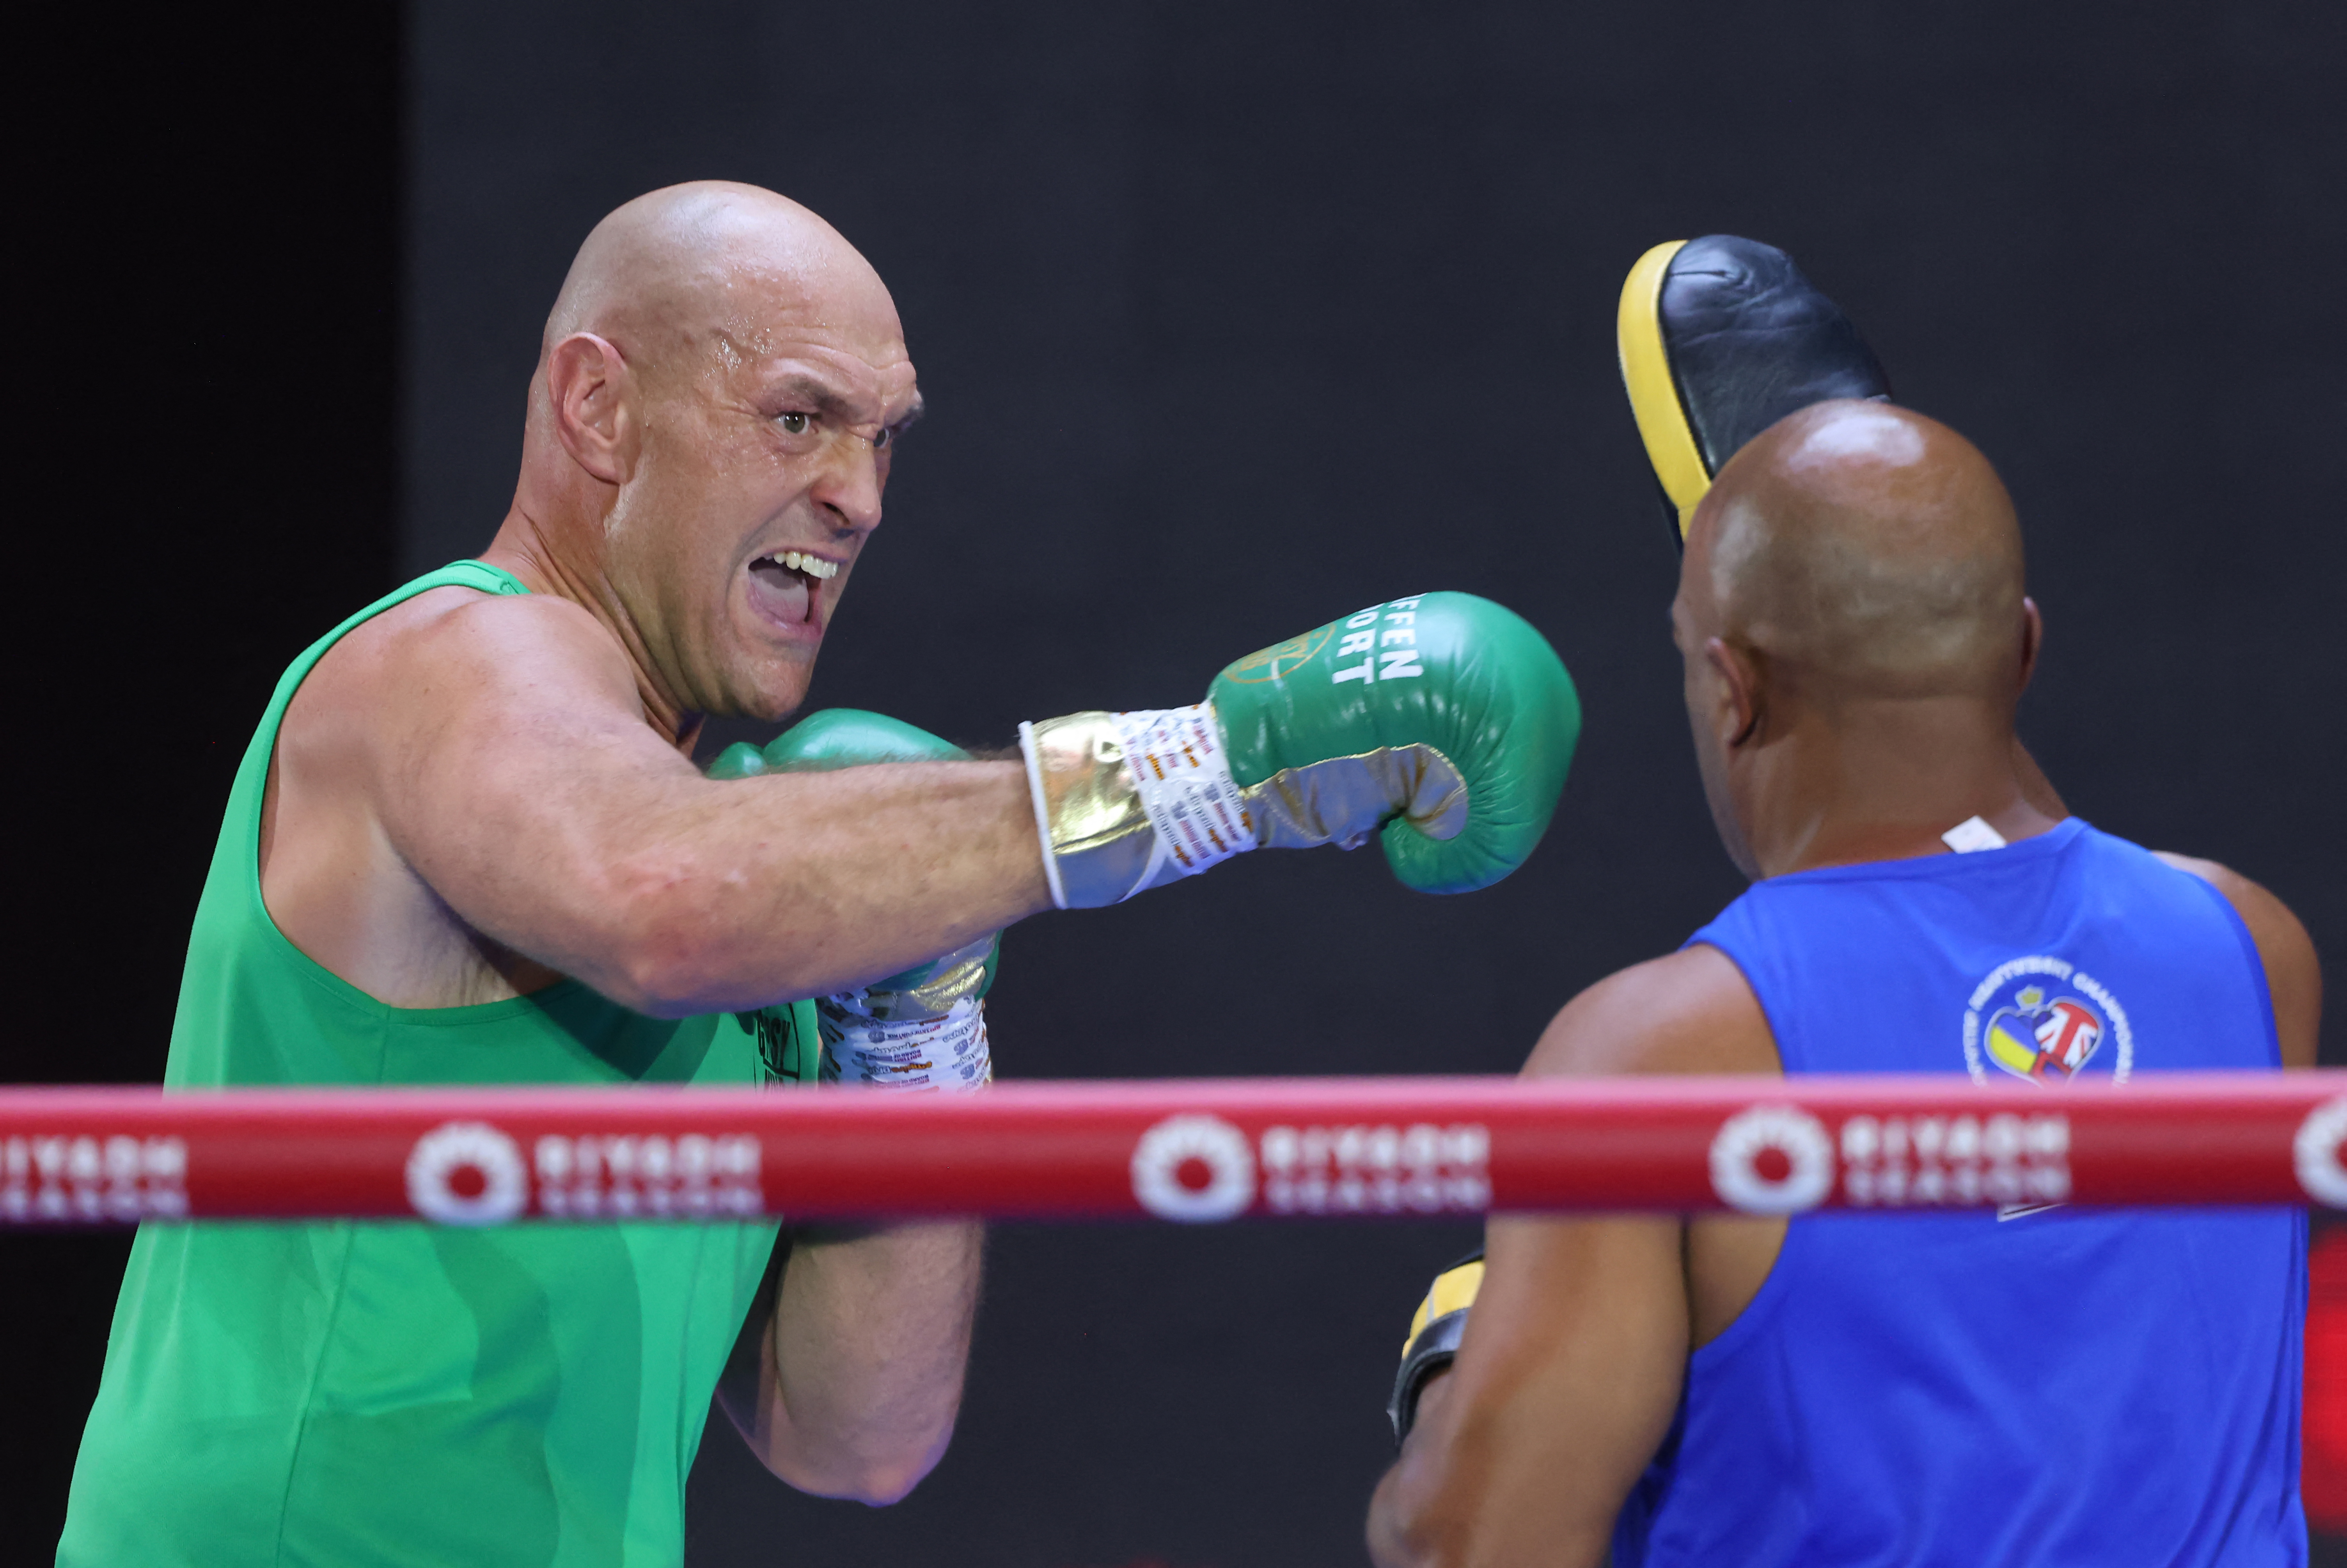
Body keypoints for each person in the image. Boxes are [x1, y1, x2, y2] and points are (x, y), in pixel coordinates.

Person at [59, 181, 1580, 1566]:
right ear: (600, 407)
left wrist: (917, 1025)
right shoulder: (457, 661)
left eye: (883, 435)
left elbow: (857, 1434)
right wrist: (1221, 773)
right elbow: (660, 897)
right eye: (799, 419)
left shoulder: (739, 856)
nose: (860, 494)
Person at [1366, 399, 2318, 1566]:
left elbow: (1471, 1545)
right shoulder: (2251, 948)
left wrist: (1459, 1374)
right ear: (2023, 648)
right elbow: (2001, 867)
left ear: (1731, 692)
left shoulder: (1663, 1053)